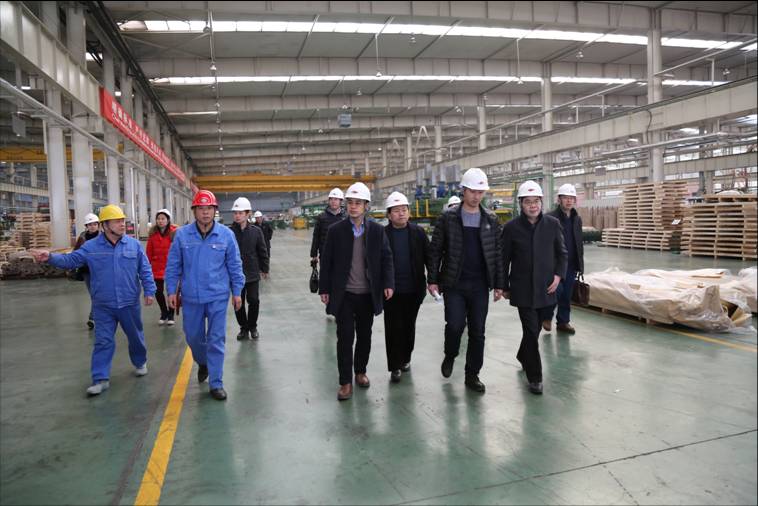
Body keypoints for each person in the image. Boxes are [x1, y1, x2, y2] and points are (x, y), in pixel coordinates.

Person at [31, 205, 156, 396]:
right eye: (117, 221)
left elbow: (145, 269)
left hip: (129, 302)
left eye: (123, 220)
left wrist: (150, 290)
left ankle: (140, 361)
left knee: (135, 337)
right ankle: (100, 378)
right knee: (103, 341)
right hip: (103, 304)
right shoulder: (91, 247)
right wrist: (50, 257)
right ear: (105, 225)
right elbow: (71, 260)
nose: (122, 224)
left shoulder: (134, 245)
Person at [428, 167, 504, 394]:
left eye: (480, 192)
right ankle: (450, 354)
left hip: (480, 286)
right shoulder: (448, 218)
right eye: (472, 191)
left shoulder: (491, 219)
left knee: (478, 332)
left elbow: (497, 254)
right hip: (455, 283)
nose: (476, 196)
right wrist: (432, 280)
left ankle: (472, 375)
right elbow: (435, 251)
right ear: (463, 190)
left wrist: (499, 284)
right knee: (454, 325)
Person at [165, 190, 245, 401]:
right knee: (193, 337)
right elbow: (173, 265)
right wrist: (171, 290)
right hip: (191, 297)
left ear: (215, 210)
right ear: (194, 211)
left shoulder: (226, 235)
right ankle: (203, 362)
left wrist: (237, 291)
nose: (205, 212)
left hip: (217, 296)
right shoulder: (182, 235)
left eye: (209, 208)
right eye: (201, 208)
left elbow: (235, 265)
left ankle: (216, 383)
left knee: (216, 339)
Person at [319, 182, 394, 401]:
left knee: (364, 335)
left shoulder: (377, 231)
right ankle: (345, 382)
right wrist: (324, 288)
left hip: (367, 294)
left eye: (358, 203)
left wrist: (388, 283)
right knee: (344, 338)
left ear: (366, 206)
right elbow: (327, 261)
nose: (353, 206)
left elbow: (387, 258)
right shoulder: (336, 231)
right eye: (350, 202)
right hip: (344, 294)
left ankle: (360, 371)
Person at [501, 180, 567, 395]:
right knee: (530, 332)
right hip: (523, 289)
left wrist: (558, 276)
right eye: (528, 202)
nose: (533, 206)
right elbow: (503, 259)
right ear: (521, 204)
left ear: (541, 202)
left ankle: (523, 355)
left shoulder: (552, 224)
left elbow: (562, 254)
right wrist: (503, 285)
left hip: (547, 289)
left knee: (535, 330)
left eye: (536, 201)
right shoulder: (511, 228)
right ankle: (535, 377)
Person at [382, 191, 430, 383]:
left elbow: (429, 257)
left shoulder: (418, 233)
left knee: (409, 326)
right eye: (396, 210)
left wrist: (434, 281)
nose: (401, 213)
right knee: (393, 328)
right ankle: (394, 366)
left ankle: (405, 358)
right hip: (390, 291)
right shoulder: (382, 234)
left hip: (414, 289)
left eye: (404, 209)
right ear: (388, 215)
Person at [540, 183, 584, 334]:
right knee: (555, 291)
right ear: (559, 200)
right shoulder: (549, 218)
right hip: (554, 264)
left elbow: (579, 242)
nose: (569, 201)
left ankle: (563, 322)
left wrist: (580, 264)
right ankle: (546, 317)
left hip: (571, 264)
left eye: (572, 198)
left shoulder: (576, 219)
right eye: (565, 197)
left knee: (566, 295)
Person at [229, 197, 269, 341]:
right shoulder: (229, 232)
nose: (237, 216)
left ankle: (253, 327)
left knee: (254, 300)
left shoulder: (256, 231)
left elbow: (262, 251)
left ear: (247, 214)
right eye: (235, 213)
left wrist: (265, 268)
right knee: (237, 302)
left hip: (252, 273)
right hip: (235, 274)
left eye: (240, 213)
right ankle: (243, 328)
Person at [146, 209, 177, 326]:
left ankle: (171, 314)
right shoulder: (152, 234)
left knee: (171, 291)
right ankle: (164, 312)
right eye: (158, 219)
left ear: (168, 220)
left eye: (163, 218)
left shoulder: (174, 233)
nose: (160, 221)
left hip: (171, 267)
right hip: (156, 267)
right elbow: (149, 251)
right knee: (158, 292)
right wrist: (146, 265)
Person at [74, 212, 101, 330]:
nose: (92, 226)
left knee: (99, 294)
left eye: (94, 224)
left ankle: (95, 318)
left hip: (101, 270)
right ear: (86, 226)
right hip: (87, 271)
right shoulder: (82, 238)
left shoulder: (103, 237)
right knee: (95, 294)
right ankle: (93, 318)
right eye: (90, 224)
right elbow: (76, 252)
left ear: (98, 225)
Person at [310, 187, 345, 264]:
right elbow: (316, 237)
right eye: (331, 199)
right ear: (328, 201)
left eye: (336, 199)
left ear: (341, 201)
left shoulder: (346, 217)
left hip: (342, 255)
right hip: (325, 254)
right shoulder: (321, 217)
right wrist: (314, 255)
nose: (333, 201)